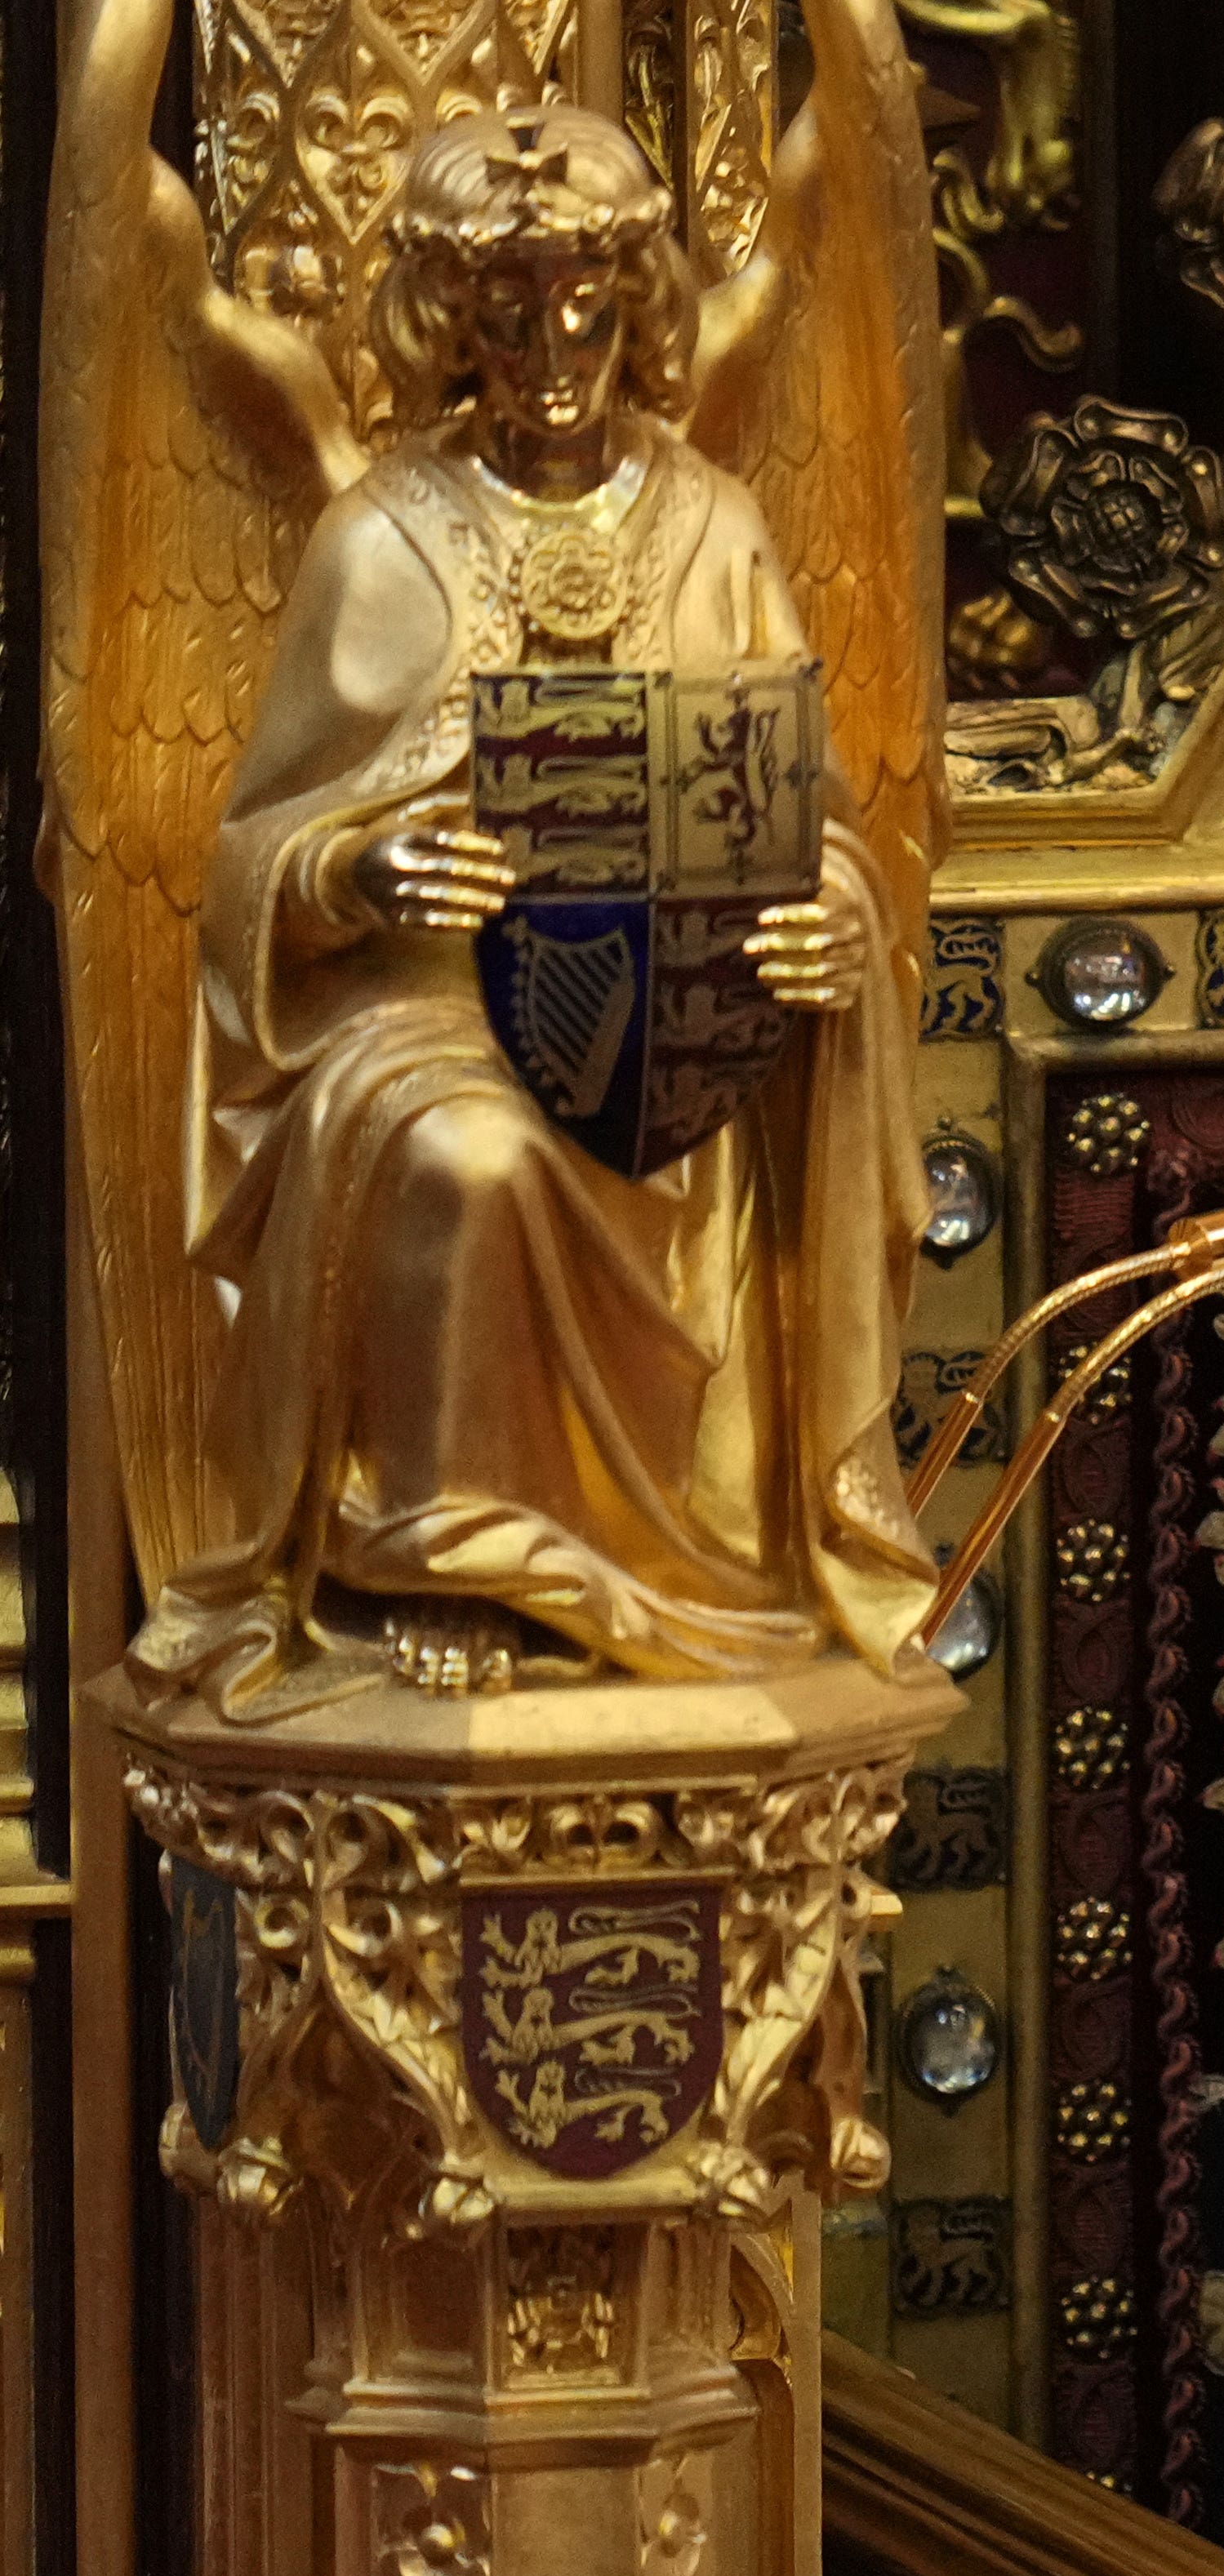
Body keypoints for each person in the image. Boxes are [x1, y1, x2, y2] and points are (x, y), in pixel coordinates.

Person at [135, 102, 932, 1710]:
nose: (552, 346)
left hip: (672, 1025)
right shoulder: (384, 538)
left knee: (679, 1142)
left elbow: (813, 822)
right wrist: (351, 869)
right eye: (507, 311)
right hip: (420, 1021)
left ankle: (699, 1565)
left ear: (637, 305)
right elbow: (247, 857)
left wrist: (833, 918)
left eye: (584, 301)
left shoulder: (712, 521)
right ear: (450, 322)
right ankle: (452, 1553)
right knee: (470, 1154)